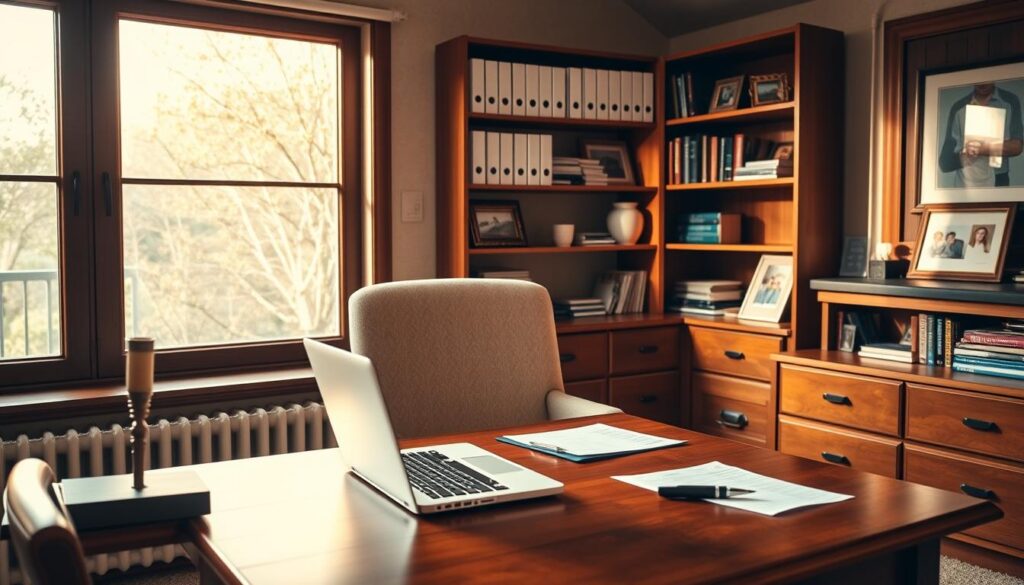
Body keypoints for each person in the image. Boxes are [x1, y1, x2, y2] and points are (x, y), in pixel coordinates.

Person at [938, 82, 1024, 187]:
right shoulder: (959, 108)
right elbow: (945, 162)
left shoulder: (1009, 101)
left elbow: (1017, 147)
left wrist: (982, 148)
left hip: (998, 181)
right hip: (966, 183)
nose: (983, 83)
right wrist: (966, 156)